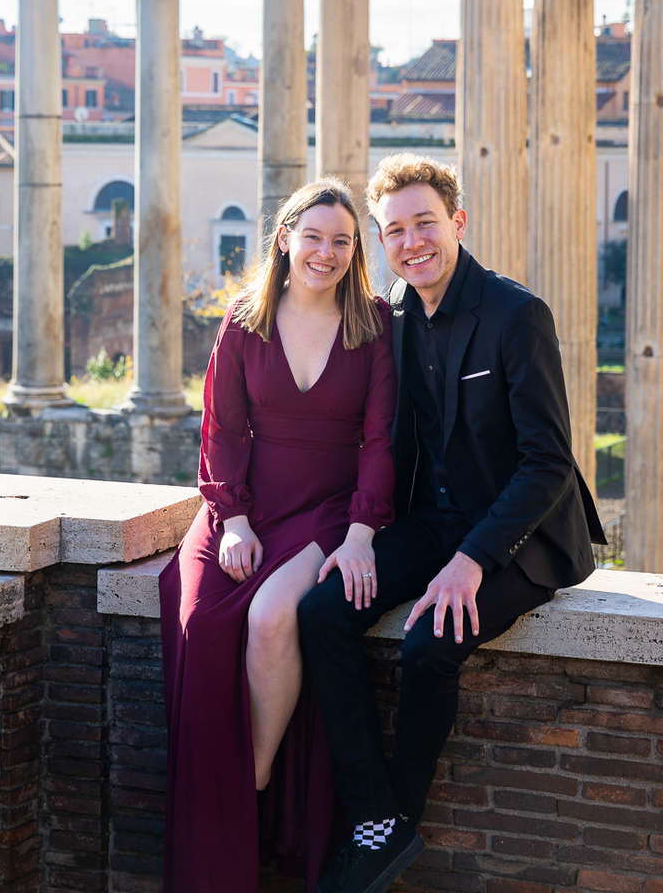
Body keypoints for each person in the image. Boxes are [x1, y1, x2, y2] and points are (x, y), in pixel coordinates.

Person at [298, 153, 606, 893]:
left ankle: (390, 824)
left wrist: (472, 559)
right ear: (382, 240)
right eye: (395, 231)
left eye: (425, 224)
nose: (413, 243)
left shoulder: (515, 314)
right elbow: (388, 441)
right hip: (430, 524)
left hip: (518, 538)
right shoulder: (397, 316)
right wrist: (361, 535)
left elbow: (547, 463)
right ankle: (377, 814)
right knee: (321, 611)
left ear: (457, 223)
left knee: (430, 642)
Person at [159, 177, 397, 893]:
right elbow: (221, 430)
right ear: (286, 236)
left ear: (355, 253)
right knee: (200, 622)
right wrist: (229, 520)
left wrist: (361, 534)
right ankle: (217, 825)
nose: (326, 253)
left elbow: (381, 440)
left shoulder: (374, 323)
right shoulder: (244, 320)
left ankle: (249, 791)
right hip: (246, 509)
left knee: (271, 619)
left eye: (342, 242)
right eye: (314, 236)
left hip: (328, 511)